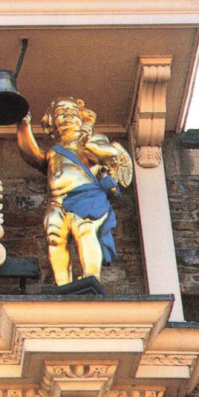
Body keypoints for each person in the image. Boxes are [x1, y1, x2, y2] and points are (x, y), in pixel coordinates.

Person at [16, 97, 132, 285]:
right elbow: (33, 156)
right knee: (55, 239)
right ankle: (62, 285)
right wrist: (23, 126)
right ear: (52, 122)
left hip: (85, 195)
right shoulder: (54, 151)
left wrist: (87, 138)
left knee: (84, 230)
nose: (68, 115)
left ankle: (91, 276)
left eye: (72, 111)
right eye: (61, 112)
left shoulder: (93, 138)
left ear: (81, 117)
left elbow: (109, 154)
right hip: (56, 202)